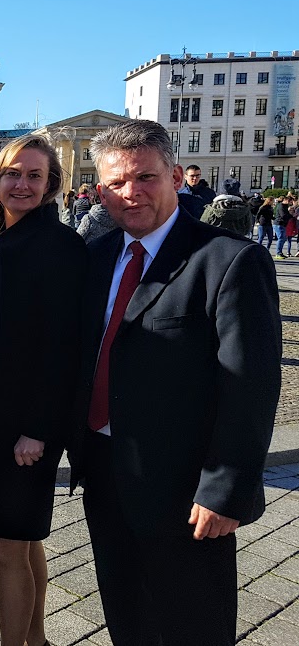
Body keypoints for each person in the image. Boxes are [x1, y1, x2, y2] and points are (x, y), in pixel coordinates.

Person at [69, 120, 280, 645]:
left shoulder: (228, 261)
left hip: (185, 487)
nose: (131, 193)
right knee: (125, 613)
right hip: (106, 469)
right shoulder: (96, 259)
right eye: (116, 183)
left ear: (175, 177)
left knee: (192, 624)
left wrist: (226, 491)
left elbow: (250, 387)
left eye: (145, 177)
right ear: (99, 191)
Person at [0, 135, 87, 646]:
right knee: (24, 540)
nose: (20, 184)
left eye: (33, 176)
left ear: (51, 185)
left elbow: (63, 346)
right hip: (0, 416)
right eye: (11, 174)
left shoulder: (58, 246)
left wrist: (38, 430)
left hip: (25, 425)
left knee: (4, 545)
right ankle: (36, 639)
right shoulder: (2, 238)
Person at [274, 194, 294, 259]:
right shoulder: (281, 206)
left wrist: (292, 216)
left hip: (283, 224)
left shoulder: (285, 206)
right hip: (279, 224)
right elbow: (283, 215)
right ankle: (278, 253)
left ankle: (280, 252)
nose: (290, 203)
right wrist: (289, 216)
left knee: (284, 238)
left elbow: (287, 214)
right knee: (281, 238)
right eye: (289, 201)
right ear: (285, 200)